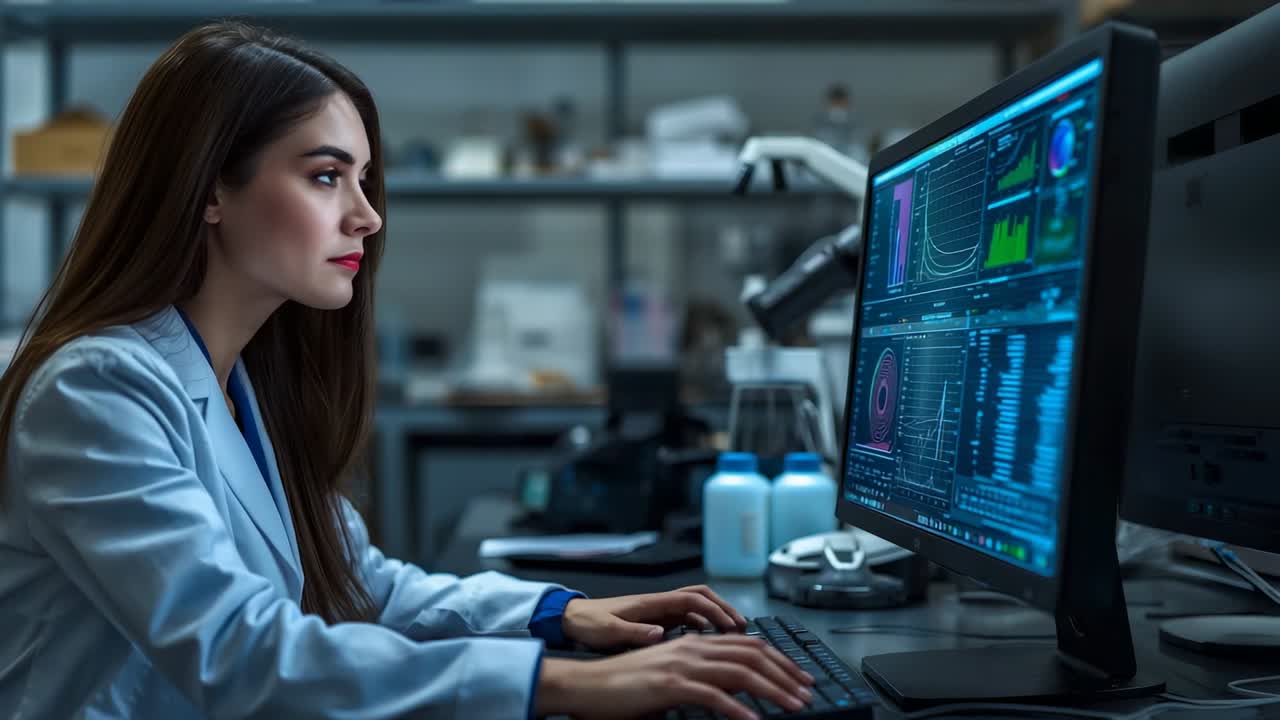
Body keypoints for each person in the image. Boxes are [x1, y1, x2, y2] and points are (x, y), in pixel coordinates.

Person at [0, 22, 813, 720]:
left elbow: (364, 586)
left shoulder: (243, 380)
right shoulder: (96, 392)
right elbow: (238, 652)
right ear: (210, 188)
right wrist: (564, 684)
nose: (367, 214)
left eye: (362, 179)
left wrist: (561, 615)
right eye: (326, 176)